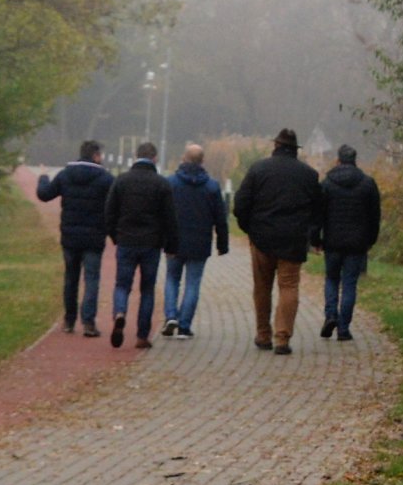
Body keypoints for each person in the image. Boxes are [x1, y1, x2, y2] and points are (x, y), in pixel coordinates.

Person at [232, 127, 323, 354]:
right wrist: (310, 235)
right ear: (295, 150)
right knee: (289, 286)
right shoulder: (309, 175)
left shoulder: (258, 169)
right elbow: (318, 210)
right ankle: (282, 339)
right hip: (293, 240)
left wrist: (249, 229)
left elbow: (241, 204)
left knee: (262, 287)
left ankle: (263, 335)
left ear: (276, 146)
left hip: (262, 237)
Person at [104, 140, 178, 349]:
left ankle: (120, 312)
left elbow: (109, 212)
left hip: (126, 241)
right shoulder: (161, 184)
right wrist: (171, 245)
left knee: (122, 284)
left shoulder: (121, 181)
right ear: (154, 158)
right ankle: (142, 336)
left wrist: (115, 235)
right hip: (151, 244)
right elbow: (170, 218)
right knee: (147, 289)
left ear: (136, 156)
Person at [35, 140, 113, 337]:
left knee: (71, 278)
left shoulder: (65, 175)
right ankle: (88, 323)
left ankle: (69, 321)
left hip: (70, 237)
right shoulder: (105, 179)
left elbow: (44, 195)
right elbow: (115, 203)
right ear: (95, 156)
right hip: (94, 237)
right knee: (92, 278)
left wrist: (43, 176)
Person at [162, 143, 229, 338]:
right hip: (200, 242)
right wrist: (222, 244)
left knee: (172, 278)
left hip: (174, 240)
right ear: (202, 161)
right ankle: (184, 326)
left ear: (184, 158)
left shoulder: (171, 183)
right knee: (193, 283)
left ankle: (170, 316)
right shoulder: (212, 187)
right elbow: (220, 218)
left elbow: (164, 213)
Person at [317, 143, 382, 341]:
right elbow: (374, 216)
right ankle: (344, 329)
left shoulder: (327, 184)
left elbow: (318, 214)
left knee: (331, 279)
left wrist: (315, 239)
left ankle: (330, 315)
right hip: (357, 244)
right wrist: (370, 240)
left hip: (332, 242)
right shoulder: (368, 184)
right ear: (355, 161)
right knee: (350, 283)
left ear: (338, 160)